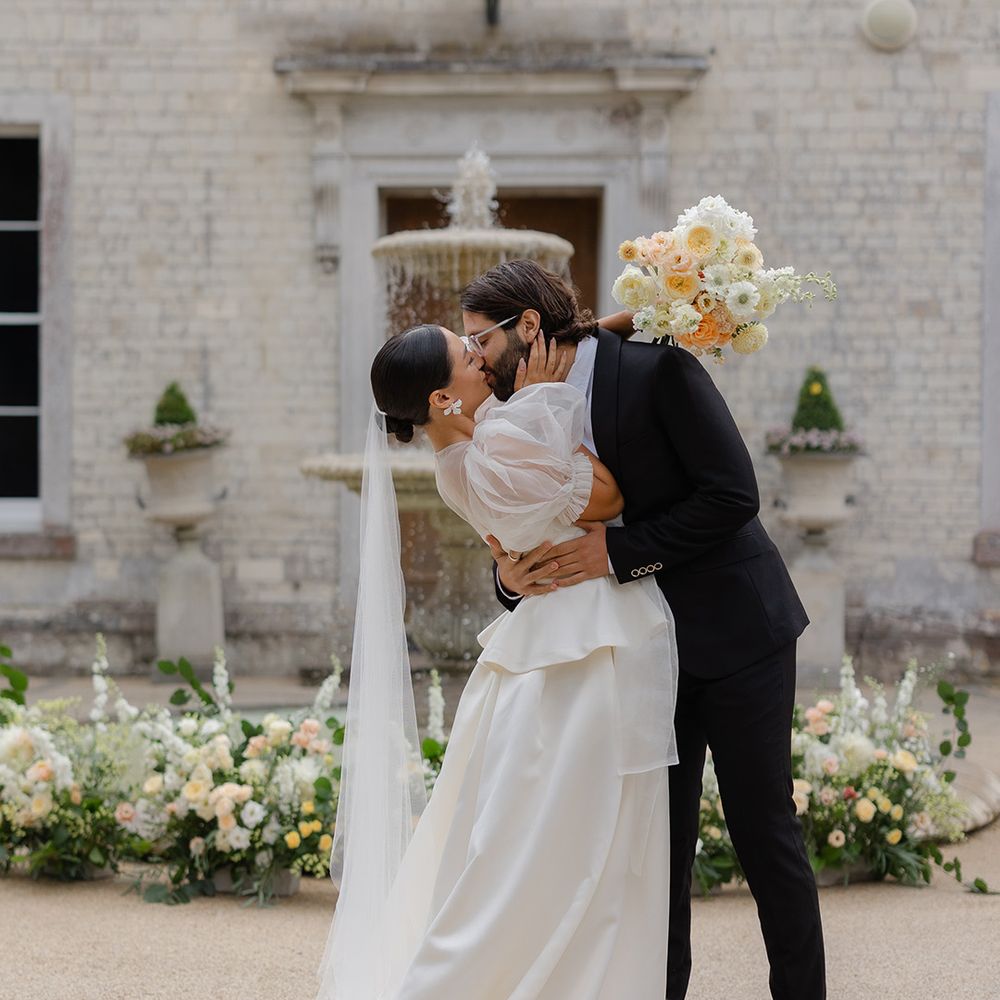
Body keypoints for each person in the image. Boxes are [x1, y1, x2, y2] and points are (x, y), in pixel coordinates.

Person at [460, 259, 826, 1000]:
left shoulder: (658, 372)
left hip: (736, 637)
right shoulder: (512, 414)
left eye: (480, 341)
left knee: (765, 837)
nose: (473, 358)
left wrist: (618, 552)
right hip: (635, 660)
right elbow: (523, 536)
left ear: (528, 326)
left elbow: (734, 495)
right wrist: (510, 580)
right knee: (654, 854)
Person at [317, 320, 679, 1000]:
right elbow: (607, 495)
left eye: (475, 342)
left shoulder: (463, 457)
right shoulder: (495, 443)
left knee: (545, 839)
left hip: (560, 640)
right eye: (465, 355)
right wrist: (542, 400)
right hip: (573, 654)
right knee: (568, 839)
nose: (482, 358)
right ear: (440, 400)